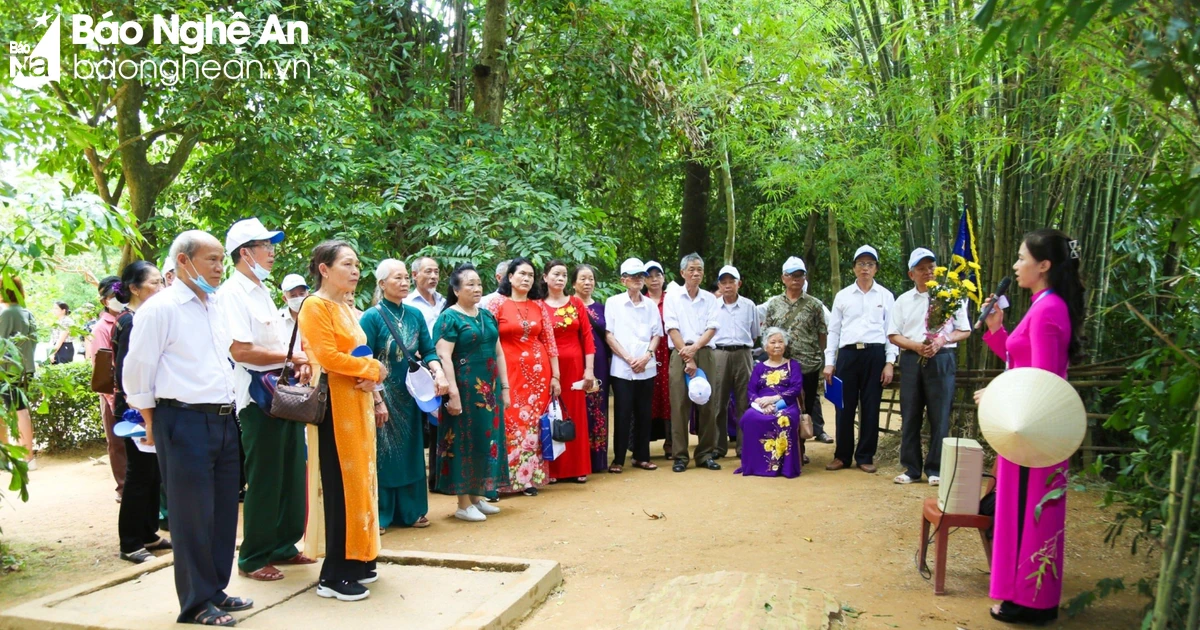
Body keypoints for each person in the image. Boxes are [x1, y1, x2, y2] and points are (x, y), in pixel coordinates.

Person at [122, 230, 250, 626]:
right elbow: (137, 371)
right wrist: (149, 422)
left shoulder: (213, 305)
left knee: (224, 510)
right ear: (183, 261)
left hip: (224, 418)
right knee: (191, 514)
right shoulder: (160, 309)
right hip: (182, 419)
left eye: (219, 260)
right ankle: (195, 603)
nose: (218, 267)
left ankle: (215, 590)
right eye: (210, 259)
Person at [975, 229, 1085, 626]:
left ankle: (1031, 601)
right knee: (1022, 508)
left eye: (1022, 258)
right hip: (1030, 428)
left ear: (1044, 266)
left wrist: (997, 394)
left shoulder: (1047, 309)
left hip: (1036, 432)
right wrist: (996, 328)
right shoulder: (1042, 305)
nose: (1017, 266)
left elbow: (1041, 382)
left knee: (1029, 511)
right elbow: (1019, 360)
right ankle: (1024, 594)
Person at [218, 218, 314, 582]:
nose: (272, 252)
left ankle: (283, 546)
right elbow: (241, 350)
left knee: (291, 472)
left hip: (283, 393)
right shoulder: (232, 294)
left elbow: (273, 347)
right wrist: (293, 360)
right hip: (258, 399)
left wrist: (293, 364)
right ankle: (254, 556)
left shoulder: (261, 290)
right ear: (245, 252)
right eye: (265, 246)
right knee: (266, 477)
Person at [297, 240, 387, 602]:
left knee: (361, 480)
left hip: (358, 402)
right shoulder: (314, 306)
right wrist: (374, 369)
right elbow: (327, 357)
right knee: (339, 487)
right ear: (324, 268)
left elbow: (356, 352)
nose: (355, 271)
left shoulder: (346, 307)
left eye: (357, 265)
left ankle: (360, 557)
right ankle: (334, 573)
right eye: (347, 264)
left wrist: (371, 377)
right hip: (335, 405)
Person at [360, 259, 449, 530]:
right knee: (385, 453)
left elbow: (429, 349)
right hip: (383, 394)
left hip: (411, 393)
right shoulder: (372, 316)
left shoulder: (414, 314)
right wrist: (376, 398)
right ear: (382, 283)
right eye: (396, 278)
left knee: (411, 452)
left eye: (405, 278)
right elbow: (364, 359)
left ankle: (412, 511)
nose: (403, 283)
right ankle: (382, 513)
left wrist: (439, 372)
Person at [888, 248, 971, 486]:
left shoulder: (950, 296)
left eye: (931, 267)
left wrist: (942, 340)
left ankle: (935, 469)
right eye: (921, 269)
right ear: (911, 273)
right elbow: (893, 334)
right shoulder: (903, 300)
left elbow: (964, 330)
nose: (928, 272)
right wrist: (916, 346)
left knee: (940, 414)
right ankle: (911, 468)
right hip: (912, 359)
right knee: (911, 413)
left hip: (942, 358)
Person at [434, 263, 510, 521]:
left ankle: (478, 497)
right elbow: (444, 355)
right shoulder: (450, 318)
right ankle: (463, 503)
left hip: (489, 388)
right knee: (464, 440)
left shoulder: (486, 315)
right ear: (456, 290)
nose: (477, 288)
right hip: (465, 387)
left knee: (484, 439)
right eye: (470, 284)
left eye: (478, 283)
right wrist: (452, 392)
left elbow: (498, 351)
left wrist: (505, 388)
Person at [110, 261, 171, 563]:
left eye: (162, 282)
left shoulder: (142, 318)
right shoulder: (131, 321)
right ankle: (130, 542)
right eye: (154, 284)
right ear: (134, 289)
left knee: (152, 474)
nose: (161, 289)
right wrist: (140, 410)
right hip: (134, 413)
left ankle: (148, 533)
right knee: (138, 476)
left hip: (148, 408)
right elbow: (126, 372)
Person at [488, 257, 560, 495]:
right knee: (507, 423)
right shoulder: (496, 304)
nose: (526, 279)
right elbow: (487, 339)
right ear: (509, 277)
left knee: (533, 426)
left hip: (538, 375)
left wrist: (556, 377)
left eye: (530, 275)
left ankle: (528, 479)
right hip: (507, 373)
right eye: (521, 274)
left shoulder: (539, 306)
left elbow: (550, 343)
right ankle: (502, 481)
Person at [824, 245, 897, 474]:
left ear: (876, 269)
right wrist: (829, 360)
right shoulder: (843, 295)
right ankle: (842, 455)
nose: (865, 268)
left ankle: (865, 455)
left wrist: (889, 361)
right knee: (843, 406)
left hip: (874, 355)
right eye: (861, 264)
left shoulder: (885, 296)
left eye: (870, 264)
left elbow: (891, 331)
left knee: (871, 405)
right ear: (854, 267)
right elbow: (834, 330)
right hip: (847, 355)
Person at [762, 257, 831, 447]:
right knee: (781, 404)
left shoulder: (815, 305)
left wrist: (816, 354)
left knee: (805, 406)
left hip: (807, 364)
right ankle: (784, 444)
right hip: (780, 364)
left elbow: (822, 334)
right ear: (783, 278)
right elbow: (767, 332)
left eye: (800, 275)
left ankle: (800, 448)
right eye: (792, 275)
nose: (796, 279)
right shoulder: (774, 304)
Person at [604, 258, 664, 473]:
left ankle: (642, 456)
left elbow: (657, 334)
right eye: (634, 276)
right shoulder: (613, 303)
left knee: (644, 413)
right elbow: (609, 335)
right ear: (623, 280)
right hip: (622, 368)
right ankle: (618, 459)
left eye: (641, 276)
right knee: (622, 412)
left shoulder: (650, 305)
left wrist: (647, 356)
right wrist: (629, 358)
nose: (639, 279)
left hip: (646, 367)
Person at [664, 253, 721, 473]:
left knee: (707, 404)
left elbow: (712, 327)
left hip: (704, 352)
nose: (696, 274)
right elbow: (671, 327)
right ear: (682, 273)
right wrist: (687, 357)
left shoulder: (710, 298)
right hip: (679, 352)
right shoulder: (672, 297)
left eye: (699, 270)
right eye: (691, 270)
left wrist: (695, 350)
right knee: (679, 406)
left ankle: (705, 453)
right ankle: (680, 456)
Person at [542, 260, 596, 483]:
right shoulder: (538, 305)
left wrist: (589, 370)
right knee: (552, 414)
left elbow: (587, 337)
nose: (560, 278)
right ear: (545, 277)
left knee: (574, 413)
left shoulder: (575, 303)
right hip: (549, 368)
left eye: (564, 275)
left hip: (574, 367)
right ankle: (553, 470)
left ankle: (577, 467)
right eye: (555, 274)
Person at [736, 328, 804, 478]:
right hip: (762, 405)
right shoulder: (759, 367)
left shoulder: (793, 365)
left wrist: (774, 401)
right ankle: (754, 465)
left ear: (785, 345)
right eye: (773, 342)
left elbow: (795, 389)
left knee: (784, 418)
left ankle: (783, 468)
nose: (777, 345)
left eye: (780, 342)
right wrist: (761, 403)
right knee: (749, 418)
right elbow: (751, 390)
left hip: (786, 403)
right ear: (766, 346)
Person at [710, 265, 759, 459]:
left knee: (744, 401)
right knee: (717, 402)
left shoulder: (749, 306)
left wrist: (741, 348)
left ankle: (743, 446)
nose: (728, 285)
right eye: (724, 282)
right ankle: (717, 447)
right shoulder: (712, 305)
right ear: (719, 285)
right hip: (719, 354)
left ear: (739, 283)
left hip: (743, 354)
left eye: (732, 281)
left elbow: (755, 334)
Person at [90, 276, 128, 501]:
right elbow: (103, 367)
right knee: (117, 442)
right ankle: (123, 488)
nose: (119, 300)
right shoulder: (101, 328)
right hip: (113, 392)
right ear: (104, 301)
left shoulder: (131, 318)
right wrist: (112, 398)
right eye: (114, 297)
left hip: (130, 390)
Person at [574, 264, 610, 473]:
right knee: (579, 407)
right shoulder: (568, 306)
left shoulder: (601, 307)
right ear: (574, 283)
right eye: (583, 279)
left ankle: (598, 458)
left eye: (591, 279)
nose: (588, 283)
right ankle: (580, 457)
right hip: (578, 361)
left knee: (599, 406)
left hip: (600, 361)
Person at [0, 276, 37, 469]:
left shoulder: (6, 314)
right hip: (25, 370)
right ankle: (27, 455)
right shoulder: (26, 313)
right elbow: (33, 342)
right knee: (21, 411)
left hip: (8, 372)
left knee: (17, 412)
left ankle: (23, 457)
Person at [644, 260, 672, 457]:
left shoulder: (673, 300)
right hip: (646, 354)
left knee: (670, 398)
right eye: (649, 276)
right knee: (648, 398)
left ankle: (671, 442)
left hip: (669, 354)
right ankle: (642, 443)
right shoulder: (640, 301)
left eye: (658, 275)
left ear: (663, 278)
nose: (654, 279)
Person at [405, 256, 446, 336]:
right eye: (428, 271)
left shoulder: (443, 302)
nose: (434, 276)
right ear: (415, 275)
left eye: (436, 272)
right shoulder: (407, 304)